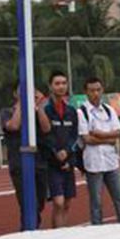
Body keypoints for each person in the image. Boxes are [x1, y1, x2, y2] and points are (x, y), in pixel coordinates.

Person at [77, 77, 120, 225]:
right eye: (92, 90)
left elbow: (118, 132)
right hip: (93, 164)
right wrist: (108, 139)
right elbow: (87, 139)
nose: (96, 93)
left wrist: (99, 134)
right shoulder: (82, 112)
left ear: (102, 90)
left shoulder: (109, 110)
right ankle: (97, 229)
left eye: (98, 90)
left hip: (111, 162)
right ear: (86, 92)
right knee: (96, 203)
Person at [0, 83, 52, 230]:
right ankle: (28, 231)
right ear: (15, 94)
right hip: (19, 163)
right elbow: (13, 126)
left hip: (39, 162)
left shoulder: (36, 111)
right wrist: (21, 104)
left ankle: (32, 228)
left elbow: (46, 128)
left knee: (39, 202)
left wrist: (38, 106)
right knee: (28, 203)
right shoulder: (6, 112)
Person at [43, 70, 78, 228]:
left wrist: (67, 153)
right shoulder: (46, 110)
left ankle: (62, 233)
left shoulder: (71, 111)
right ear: (50, 86)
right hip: (52, 163)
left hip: (68, 162)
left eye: (64, 83)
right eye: (57, 83)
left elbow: (74, 135)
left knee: (67, 203)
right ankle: (56, 234)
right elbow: (46, 135)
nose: (61, 86)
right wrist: (56, 152)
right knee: (58, 202)